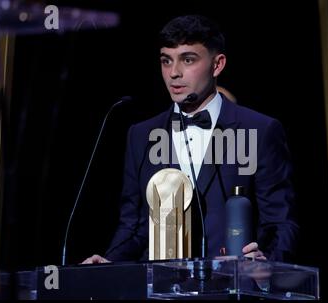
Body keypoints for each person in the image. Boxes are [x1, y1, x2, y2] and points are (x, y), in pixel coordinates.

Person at [83, 15, 298, 264]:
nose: (174, 73)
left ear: (217, 65)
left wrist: (267, 263)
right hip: (162, 291)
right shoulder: (141, 135)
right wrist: (111, 262)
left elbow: (280, 221)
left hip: (231, 289)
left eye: (187, 60)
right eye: (166, 61)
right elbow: (135, 226)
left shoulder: (260, 130)